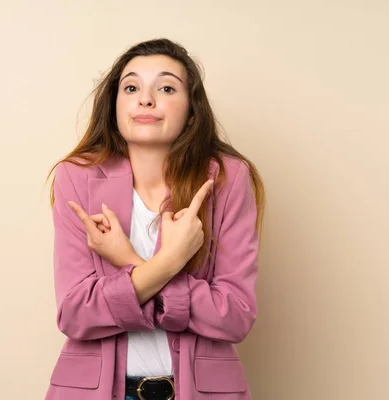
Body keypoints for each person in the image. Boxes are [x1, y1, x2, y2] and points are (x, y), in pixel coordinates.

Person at [44, 38, 265, 400]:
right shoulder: (77, 177)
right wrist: (170, 262)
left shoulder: (227, 179)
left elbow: (235, 316)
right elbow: (75, 314)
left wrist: (130, 262)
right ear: (114, 107)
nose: (146, 99)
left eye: (165, 88)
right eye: (131, 87)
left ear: (192, 111)